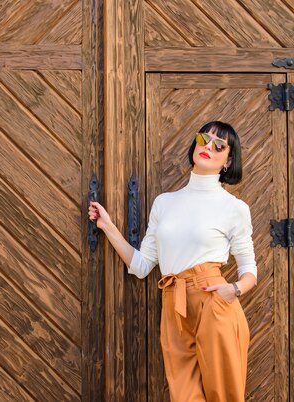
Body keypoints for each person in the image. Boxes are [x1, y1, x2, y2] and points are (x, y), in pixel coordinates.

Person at [88, 120, 257, 402]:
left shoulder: (234, 208)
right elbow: (142, 266)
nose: (209, 147)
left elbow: (249, 268)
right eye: (205, 139)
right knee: (184, 395)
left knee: (224, 395)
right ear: (195, 143)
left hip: (213, 300)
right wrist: (107, 227)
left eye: (219, 146)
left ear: (228, 161)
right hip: (172, 301)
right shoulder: (165, 202)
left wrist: (234, 289)